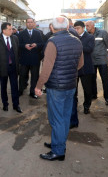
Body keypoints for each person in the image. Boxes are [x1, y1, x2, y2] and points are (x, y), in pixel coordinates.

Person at [35, 16, 83, 161]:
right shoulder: (77, 40)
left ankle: (58, 151)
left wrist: (38, 86)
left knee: (56, 119)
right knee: (65, 117)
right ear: (68, 27)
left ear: (52, 28)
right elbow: (80, 64)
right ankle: (58, 143)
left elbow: (47, 68)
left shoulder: (52, 42)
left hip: (56, 87)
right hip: (70, 85)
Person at [0, 22, 22, 113]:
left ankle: (16, 105)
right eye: (9, 29)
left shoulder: (15, 38)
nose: (11, 31)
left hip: (13, 67)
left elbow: (18, 51)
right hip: (3, 67)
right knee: (3, 87)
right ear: (4, 30)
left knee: (14, 87)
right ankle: (5, 104)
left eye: (12, 29)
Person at [70, 21, 95, 129]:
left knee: (87, 89)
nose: (76, 30)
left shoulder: (89, 37)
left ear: (83, 28)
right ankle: (73, 108)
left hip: (86, 67)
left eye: (78, 28)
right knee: (73, 90)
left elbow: (89, 49)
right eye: (75, 28)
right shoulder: (71, 37)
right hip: (74, 68)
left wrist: (77, 46)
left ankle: (86, 106)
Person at [85, 21, 108, 105]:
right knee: (92, 79)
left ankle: (107, 98)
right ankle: (94, 95)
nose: (86, 27)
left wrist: (102, 51)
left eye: (88, 26)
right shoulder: (87, 35)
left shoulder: (102, 33)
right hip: (92, 61)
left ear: (93, 25)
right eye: (86, 26)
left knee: (105, 79)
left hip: (102, 60)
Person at [18, 18, 44, 99]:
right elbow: (18, 45)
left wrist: (36, 45)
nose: (29, 24)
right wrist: (24, 46)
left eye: (31, 22)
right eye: (28, 22)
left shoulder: (38, 33)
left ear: (34, 23)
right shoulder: (21, 33)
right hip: (24, 58)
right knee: (22, 75)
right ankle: (21, 90)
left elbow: (42, 44)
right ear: (26, 24)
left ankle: (33, 92)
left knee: (35, 76)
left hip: (35, 59)